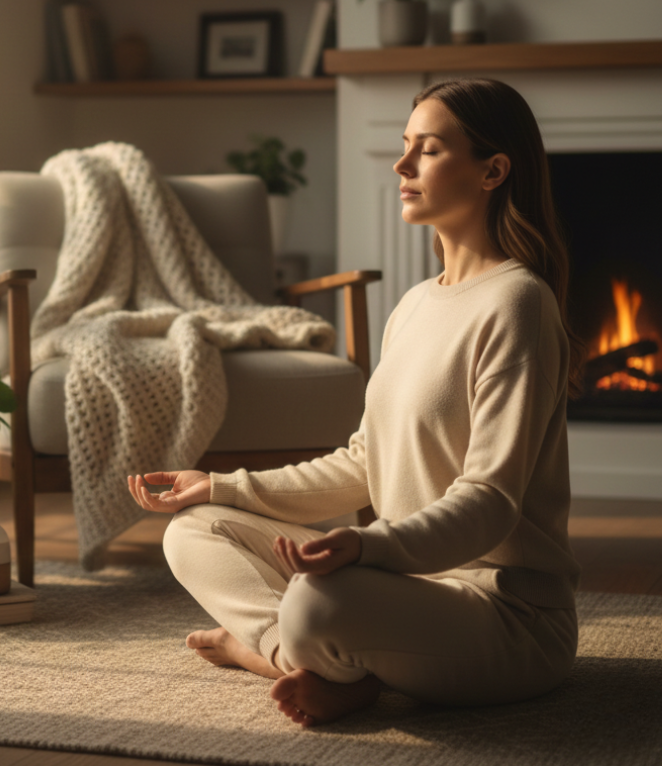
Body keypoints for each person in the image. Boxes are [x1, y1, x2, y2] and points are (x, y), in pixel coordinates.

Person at [127, 78, 583, 727]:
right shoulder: (414, 304)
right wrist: (218, 486)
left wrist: (367, 550)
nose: (401, 165)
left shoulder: (519, 303)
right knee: (194, 531)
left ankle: (287, 651)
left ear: (493, 171)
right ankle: (302, 659)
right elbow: (364, 462)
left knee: (316, 600)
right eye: (404, 145)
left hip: (507, 617)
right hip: (402, 589)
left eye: (427, 149)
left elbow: (489, 501)